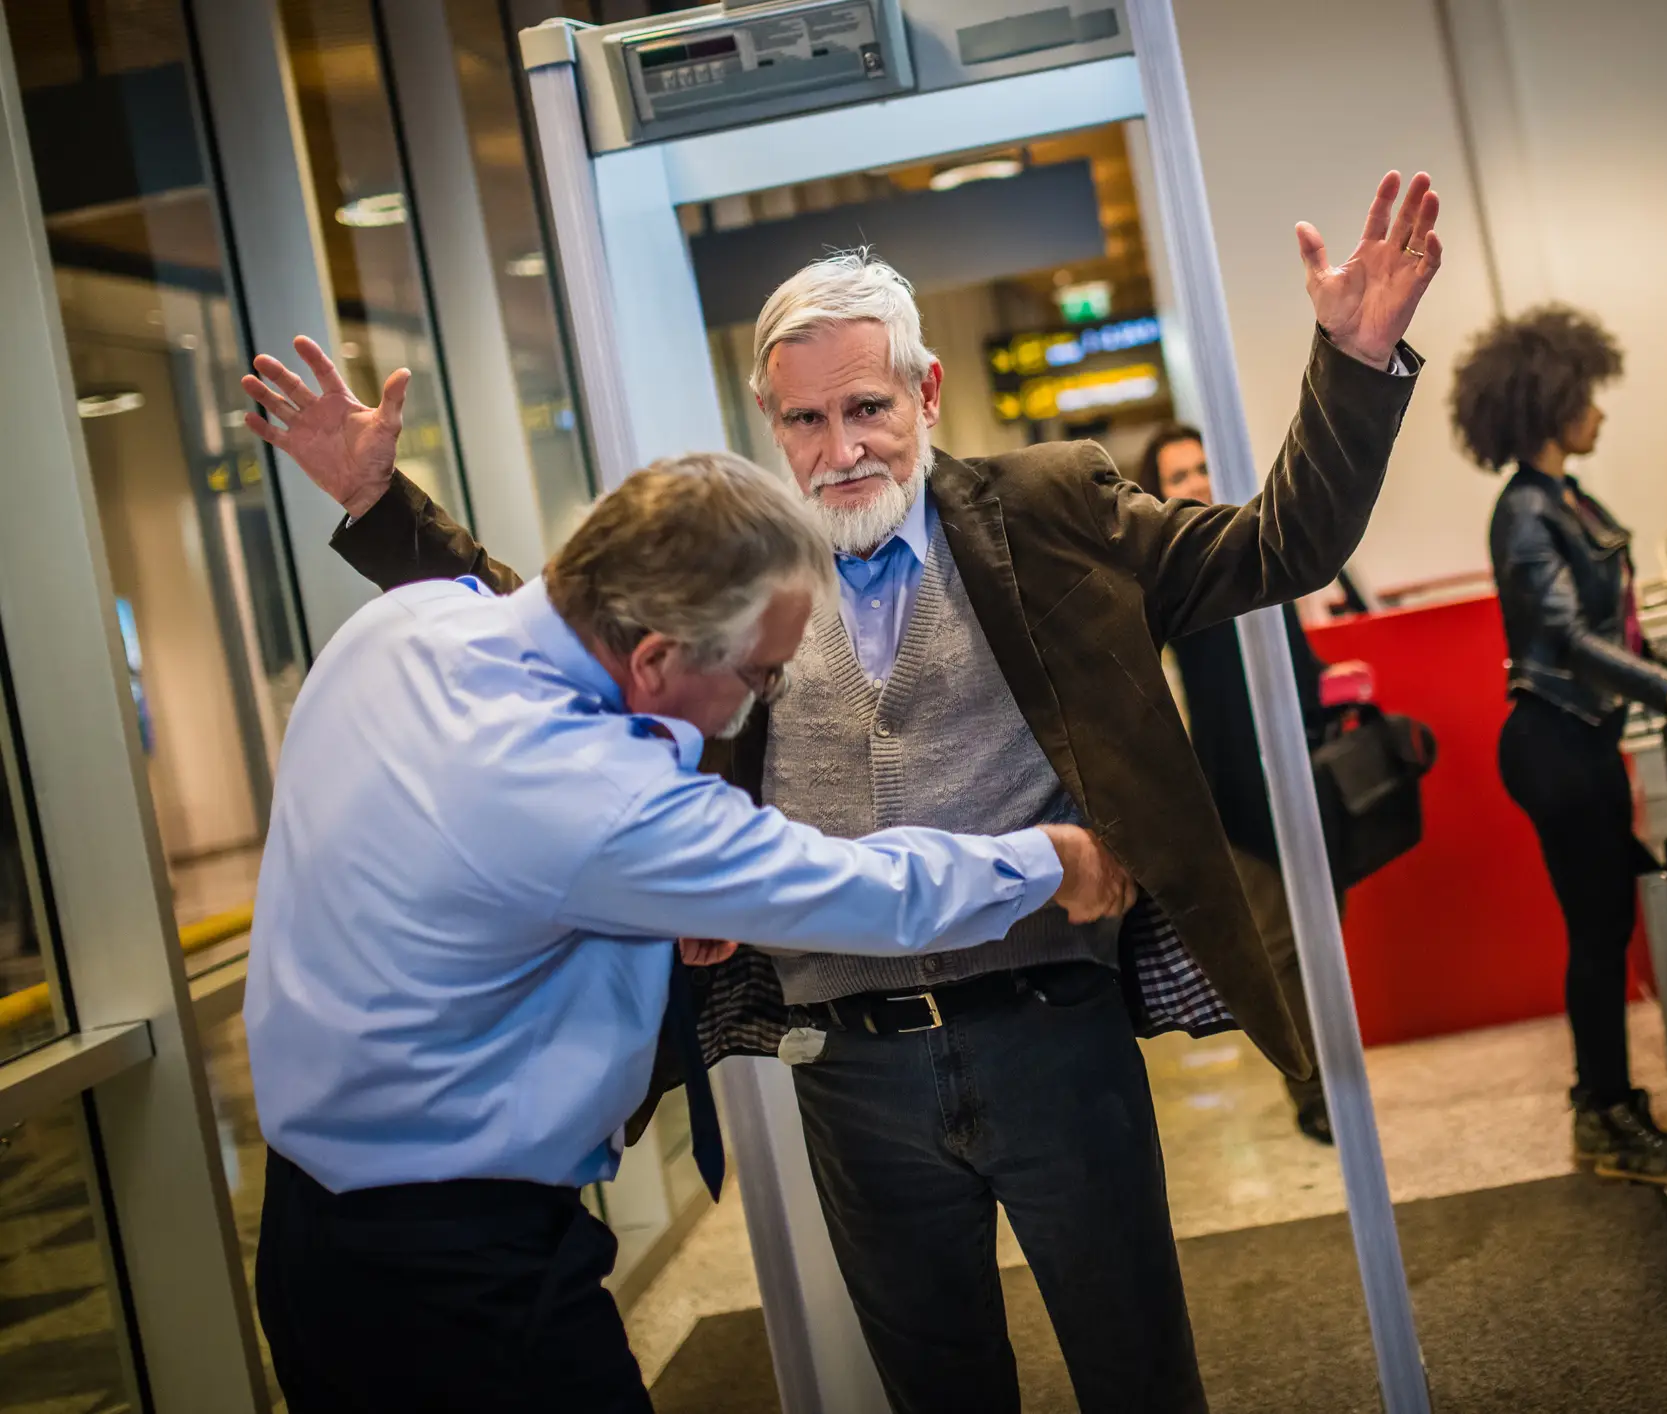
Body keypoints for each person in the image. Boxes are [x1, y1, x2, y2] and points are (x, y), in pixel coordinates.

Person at [257, 166, 1443, 1414]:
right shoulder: (746, 573)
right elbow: (568, 623)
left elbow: (1277, 546)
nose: (841, 450)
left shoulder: (1048, 510)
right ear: (771, 423)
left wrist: (1355, 362)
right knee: (936, 1388)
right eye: (806, 421)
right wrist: (380, 506)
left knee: (1136, 1369)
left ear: (926, 391)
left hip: (1052, 1030)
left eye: (868, 407)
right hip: (850, 1065)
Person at [240, 441, 1135, 1414]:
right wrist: (1052, 859)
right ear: (656, 658)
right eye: (764, 676)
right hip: (458, 1280)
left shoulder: (401, 625)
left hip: (308, 1237)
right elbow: (864, 888)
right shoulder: (600, 796)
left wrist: (646, 915)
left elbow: (463, 881)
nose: (762, 702)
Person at [1448, 305, 1667, 1186]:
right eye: (1585, 396)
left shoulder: (1565, 500)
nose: (1598, 411)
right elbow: (1566, 639)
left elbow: (1615, 630)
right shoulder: (1526, 512)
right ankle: (1603, 1116)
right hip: (1553, 746)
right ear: (1548, 404)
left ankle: (1605, 1105)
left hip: (1580, 740)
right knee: (1598, 935)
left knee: (1607, 923)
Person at [1142, 423, 1337, 1144]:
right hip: (1232, 794)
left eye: (1201, 466)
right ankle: (1311, 1090)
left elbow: (1296, 659)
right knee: (1279, 947)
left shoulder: (1259, 546)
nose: (1194, 482)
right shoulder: (1166, 578)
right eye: (1177, 475)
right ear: (1155, 493)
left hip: (1301, 777)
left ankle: (1338, 1075)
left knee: (1323, 937)